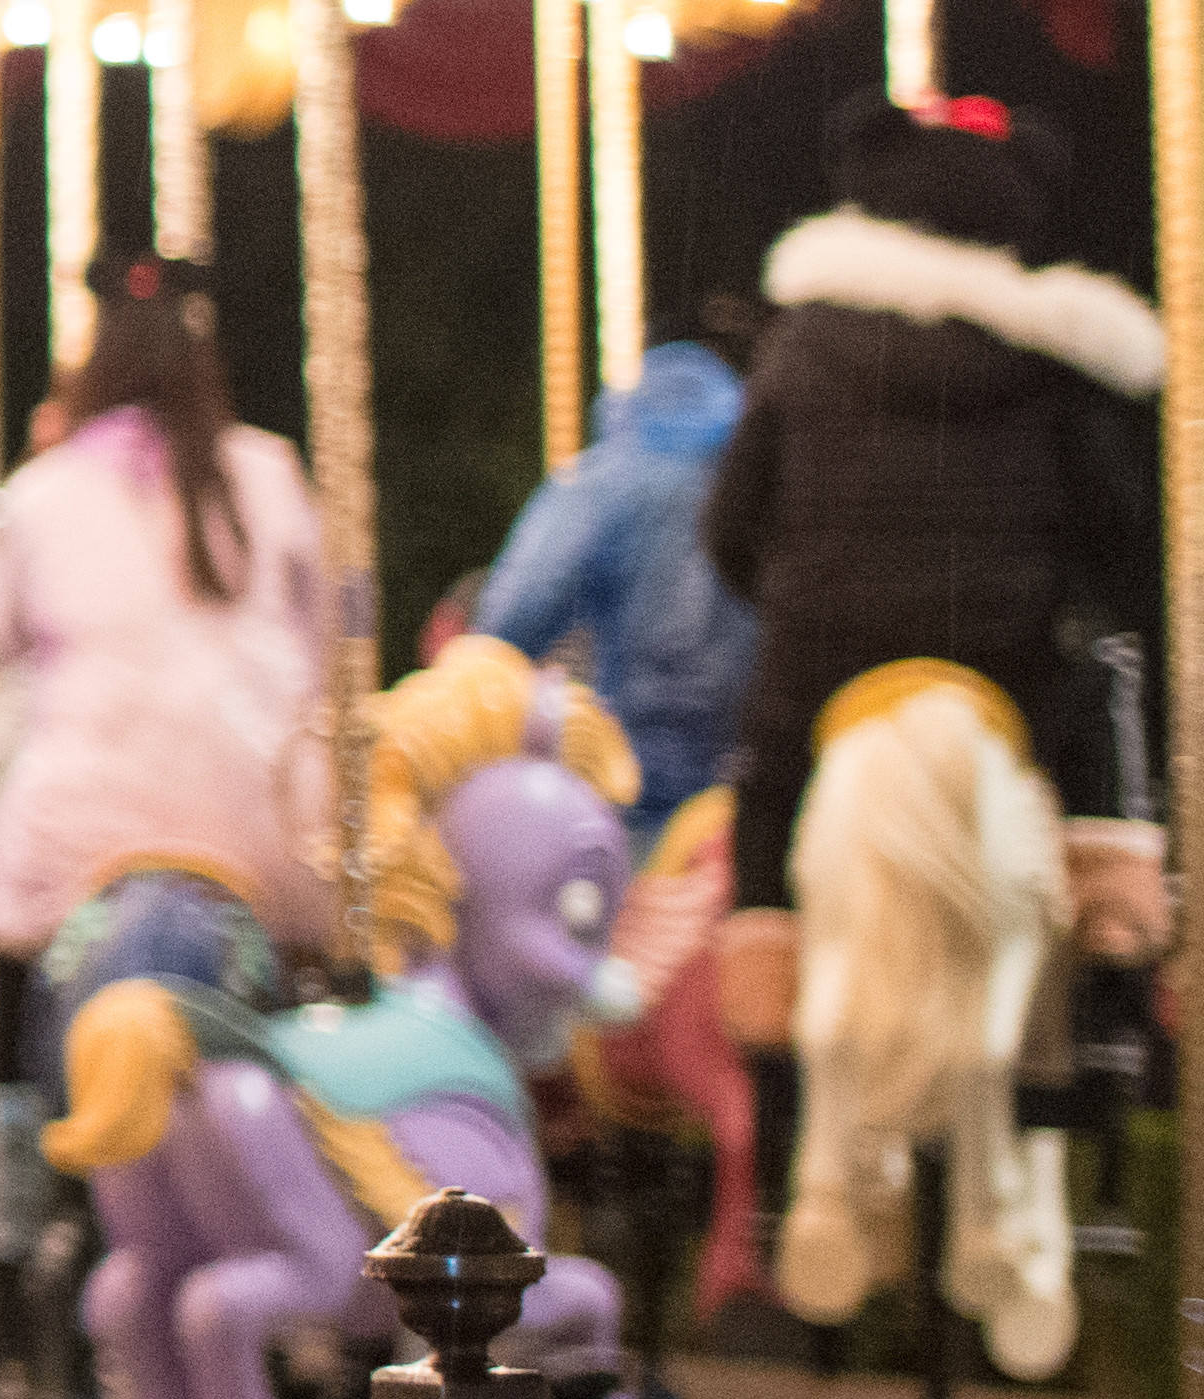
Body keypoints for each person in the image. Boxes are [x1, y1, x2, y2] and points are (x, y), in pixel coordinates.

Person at [706, 96, 1166, 934]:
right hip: (1003, 655)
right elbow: (1114, 525)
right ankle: (1111, 948)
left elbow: (729, 527)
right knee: (1095, 709)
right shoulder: (1049, 358)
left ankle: (764, 965)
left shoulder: (799, 345)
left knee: (769, 781)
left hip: (825, 653)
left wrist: (790, 594)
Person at [0, 269, 335, 970]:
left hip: (80, 836)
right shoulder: (270, 469)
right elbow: (323, 640)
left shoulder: (43, 490)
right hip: (259, 825)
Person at [472, 319, 757, 843]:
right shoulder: (758, 482)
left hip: (637, 767)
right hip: (749, 767)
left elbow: (516, 614)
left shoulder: (605, 479)